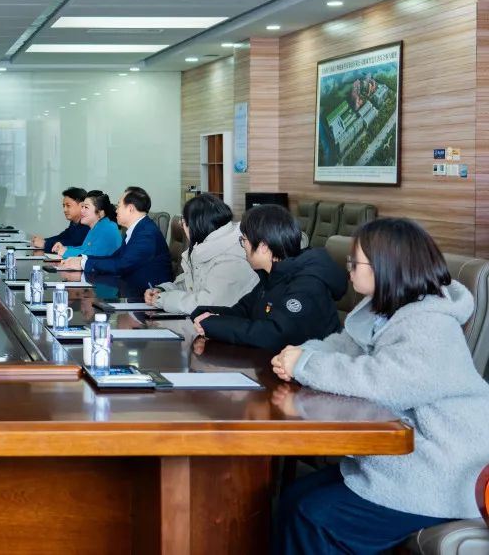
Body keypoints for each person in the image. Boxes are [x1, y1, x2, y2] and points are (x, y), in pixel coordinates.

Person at [271, 218, 489, 553]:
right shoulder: (383, 309)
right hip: (401, 459)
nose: (349, 270)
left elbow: (383, 382)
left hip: (440, 471)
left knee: (313, 517)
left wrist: (305, 364)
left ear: (386, 267)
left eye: (355, 263)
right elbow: (342, 346)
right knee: (294, 497)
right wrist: (298, 355)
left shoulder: (431, 324)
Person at [190, 204, 346, 352]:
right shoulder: (273, 275)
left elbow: (275, 335)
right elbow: (244, 310)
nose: (243, 246)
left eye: (244, 240)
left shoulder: (307, 283)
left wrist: (213, 325)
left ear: (263, 247)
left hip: (313, 367)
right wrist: (206, 313)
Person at [144, 194, 258, 315]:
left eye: (183, 221)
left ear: (195, 225)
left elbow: (208, 303)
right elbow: (191, 284)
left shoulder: (231, 258)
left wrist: (163, 299)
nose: (182, 226)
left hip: (230, 322)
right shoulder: (206, 248)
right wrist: (162, 290)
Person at [58, 186, 172, 294]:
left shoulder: (146, 234)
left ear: (130, 209)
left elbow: (122, 264)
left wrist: (84, 263)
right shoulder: (137, 229)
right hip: (130, 289)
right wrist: (83, 259)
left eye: (119, 206)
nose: (116, 210)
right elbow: (115, 257)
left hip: (148, 296)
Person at [50, 190, 121, 259]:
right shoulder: (96, 226)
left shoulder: (107, 228)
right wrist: (65, 248)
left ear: (100, 213)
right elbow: (83, 249)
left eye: (86, 207)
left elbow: (91, 256)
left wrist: (66, 252)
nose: (82, 210)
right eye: (82, 207)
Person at [31, 187, 89, 253]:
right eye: (64, 206)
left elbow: (73, 243)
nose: (65, 210)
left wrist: (45, 244)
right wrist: (45, 240)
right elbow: (62, 237)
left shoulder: (87, 224)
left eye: (68, 206)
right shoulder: (74, 222)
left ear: (82, 206)